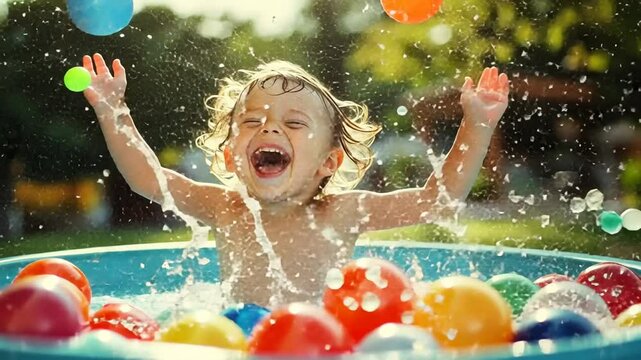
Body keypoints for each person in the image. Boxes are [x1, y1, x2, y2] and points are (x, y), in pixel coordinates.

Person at [81, 53, 510, 306]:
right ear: (231, 156)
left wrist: (477, 125)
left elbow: (435, 199)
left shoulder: (342, 212)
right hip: (243, 340)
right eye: (251, 120)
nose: (268, 129)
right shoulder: (224, 207)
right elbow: (149, 179)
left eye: (294, 122)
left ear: (328, 161)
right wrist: (113, 111)